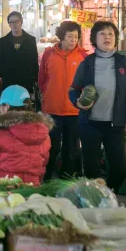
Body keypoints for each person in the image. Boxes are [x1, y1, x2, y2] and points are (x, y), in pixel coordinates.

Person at [69, 21, 126, 192]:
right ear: (94, 39)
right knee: (91, 169)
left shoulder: (123, 62)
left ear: (115, 39)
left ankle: (109, 191)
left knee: (119, 168)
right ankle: (96, 198)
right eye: (102, 34)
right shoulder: (87, 63)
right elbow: (73, 90)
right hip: (90, 124)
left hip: (115, 125)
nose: (107, 37)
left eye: (110, 34)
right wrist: (77, 102)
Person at [0, 85, 52, 185]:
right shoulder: (43, 133)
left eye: (1, 106)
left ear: (6, 107)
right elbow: (42, 166)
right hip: (31, 190)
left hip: (1, 190)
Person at [38, 21, 87, 180]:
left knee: (71, 148)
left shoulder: (83, 56)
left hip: (74, 111)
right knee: (50, 147)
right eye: (70, 37)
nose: (74, 40)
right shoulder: (48, 54)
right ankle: (45, 179)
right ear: (61, 37)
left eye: (76, 37)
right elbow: (42, 80)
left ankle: (68, 180)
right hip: (51, 110)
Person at [0, 12, 39, 93]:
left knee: (25, 104)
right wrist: (2, 75)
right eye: (11, 22)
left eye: (17, 21)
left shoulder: (31, 40)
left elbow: (34, 59)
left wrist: (35, 77)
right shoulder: (4, 41)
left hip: (26, 79)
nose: (14, 24)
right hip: (9, 80)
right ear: (9, 25)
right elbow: (1, 59)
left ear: (21, 22)